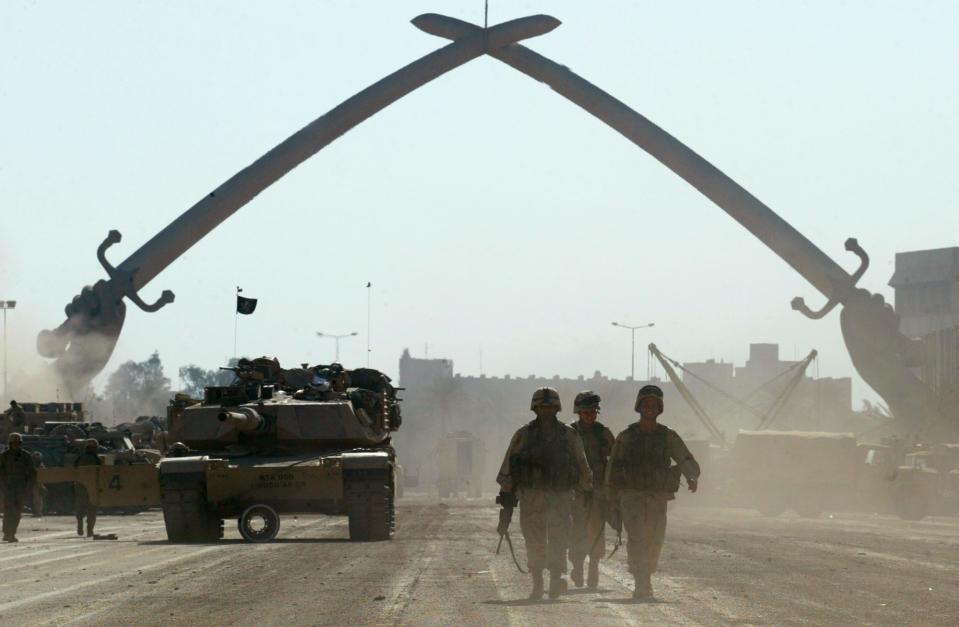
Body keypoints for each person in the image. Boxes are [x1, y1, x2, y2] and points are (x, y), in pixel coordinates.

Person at [497, 387, 592, 600]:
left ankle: (556, 579)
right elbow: (509, 465)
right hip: (532, 496)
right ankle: (538, 584)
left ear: (557, 408)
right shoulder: (524, 434)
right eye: (542, 407)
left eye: (550, 407)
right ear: (535, 408)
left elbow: (582, 465)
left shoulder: (569, 434)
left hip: (561, 496)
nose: (546, 411)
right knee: (534, 540)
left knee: (559, 539)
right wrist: (506, 493)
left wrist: (586, 490)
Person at [606, 385, 700, 599]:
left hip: (657, 497)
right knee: (637, 536)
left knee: (655, 538)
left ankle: (646, 576)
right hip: (631, 495)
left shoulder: (667, 436)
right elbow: (612, 467)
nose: (650, 408)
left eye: (654, 405)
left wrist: (691, 476)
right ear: (639, 407)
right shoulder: (626, 436)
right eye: (646, 405)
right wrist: (610, 496)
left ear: (660, 409)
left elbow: (684, 457)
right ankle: (641, 580)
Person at [568, 390, 615, 589]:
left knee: (596, 530)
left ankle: (593, 567)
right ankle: (577, 566)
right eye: (585, 411)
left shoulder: (603, 433)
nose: (589, 415)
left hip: (598, 491)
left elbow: (614, 461)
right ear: (579, 412)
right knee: (576, 531)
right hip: (576, 491)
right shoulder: (569, 432)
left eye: (593, 411)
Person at [0, 432, 37, 542]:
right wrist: (2, 486)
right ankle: (7, 532)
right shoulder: (4, 456)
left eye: (17, 443)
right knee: (8, 511)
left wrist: (29, 487)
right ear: (10, 443)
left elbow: (32, 473)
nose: (15, 445)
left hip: (21, 487)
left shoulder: (26, 456)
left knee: (17, 511)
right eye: (13, 443)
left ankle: (12, 532)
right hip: (8, 487)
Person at [73, 438, 102, 537]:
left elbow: (74, 469)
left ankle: (80, 525)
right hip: (92, 486)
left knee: (80, 506)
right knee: (92, 508)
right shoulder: (96, 458)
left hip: (80, 485)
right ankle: (89, 530)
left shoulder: (80, 458)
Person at [30, 451, 46, 517]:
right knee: (36, 499)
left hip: (39, 484)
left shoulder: (41, 465)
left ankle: (38, 512)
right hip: (32, 483)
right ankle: (36, 512)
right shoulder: (31, 465)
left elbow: (43, 473)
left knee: (38, 499)